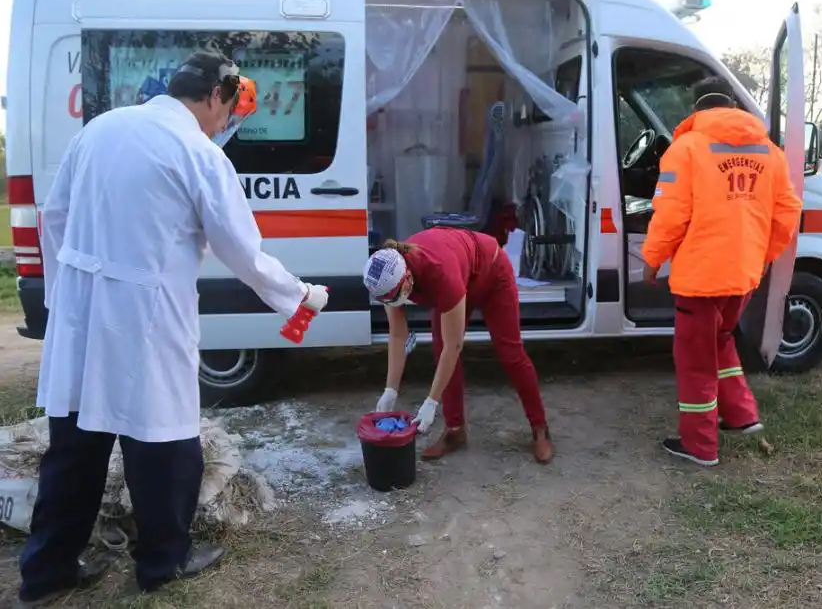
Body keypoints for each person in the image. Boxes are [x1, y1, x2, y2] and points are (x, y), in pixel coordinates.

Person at [17, 51, 330, 606]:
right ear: (215, 95)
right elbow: (244, 253)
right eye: (228, 109)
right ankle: (162, 562)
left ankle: (47, 570)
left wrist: (71, 288)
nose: (226, 122)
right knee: (162, 441)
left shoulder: (101, 128)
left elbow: (55, 216)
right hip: (146, 314)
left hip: (82, 310)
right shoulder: (196, 152)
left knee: (74, 445)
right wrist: (300, 297)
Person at [641, 76, 802, 467]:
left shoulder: (687, 149)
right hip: (743, 274)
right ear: (733, 105)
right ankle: (741, 414)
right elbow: (787, 213)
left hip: (700, 278)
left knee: (696, 357)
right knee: (721, 340)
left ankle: (699, 446)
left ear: (697, 108)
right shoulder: (770, 152)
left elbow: (671, 215)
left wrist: (652, 259)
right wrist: (762, 255)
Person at [362, 227, 554, 464]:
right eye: (386, 300)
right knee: (439, 349)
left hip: (491, 274)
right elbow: (398, 336)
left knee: (510, 353)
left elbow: (454, 346)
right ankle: (455, 431)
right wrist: (390, 391)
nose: (393, 303)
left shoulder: (439, 273)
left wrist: (431, 402)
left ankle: (539, 427)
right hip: (460, 274)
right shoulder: (390, 280)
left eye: (394, 297)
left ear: (408, 279)